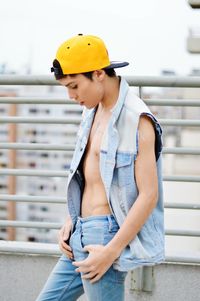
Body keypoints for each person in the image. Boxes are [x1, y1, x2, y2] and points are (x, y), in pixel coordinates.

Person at [36, 34, 164, 301]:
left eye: (74, 86)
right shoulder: (91, 111)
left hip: (105, 238)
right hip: (80, 234)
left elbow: (149, 194)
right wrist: (73, 220)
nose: (71, 96)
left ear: (98, 74)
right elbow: (92, 176)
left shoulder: (136, 119)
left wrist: (111, 251)